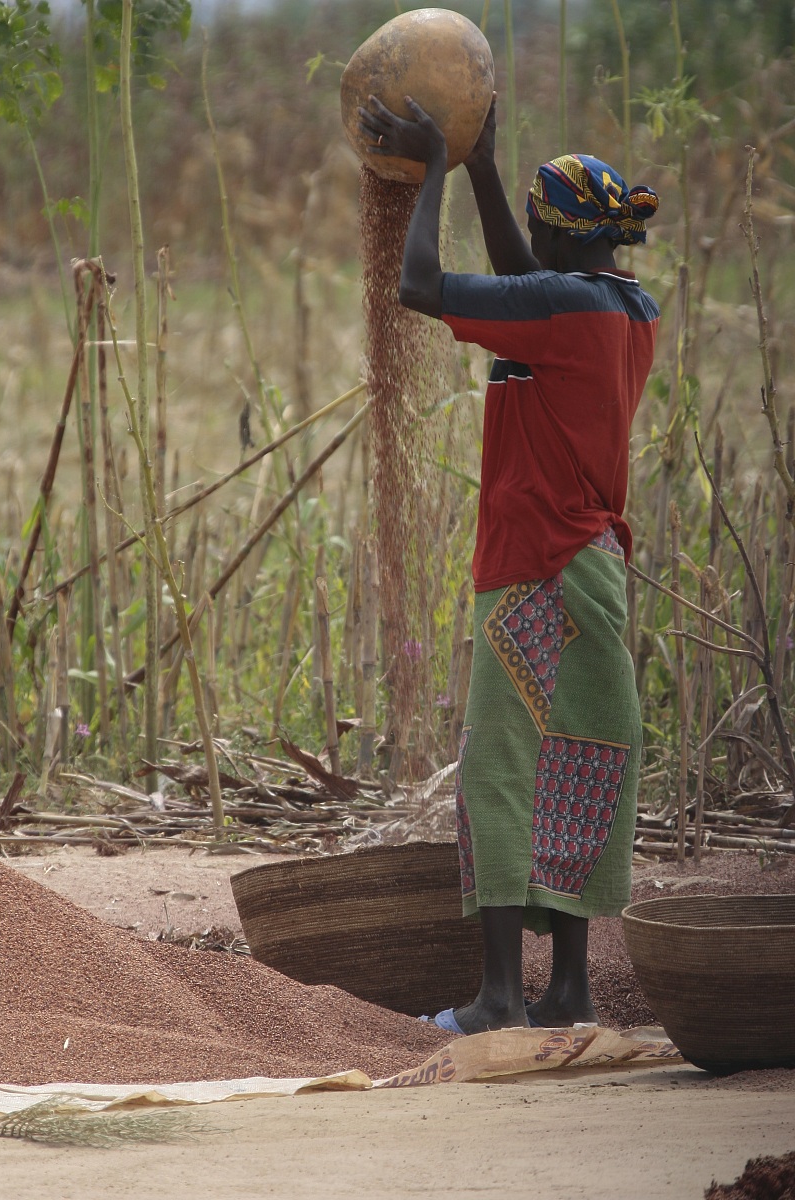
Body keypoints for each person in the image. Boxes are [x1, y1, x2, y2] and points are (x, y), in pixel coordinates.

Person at [359, 94, 660, 1035]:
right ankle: (564, 990)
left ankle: (497, 1000)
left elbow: (418, 286)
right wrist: (489, 168)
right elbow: (529, 282)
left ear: (553, 235)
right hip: (593, 568)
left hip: (535, 567)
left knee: (498, 767)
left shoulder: (562, 309)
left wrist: (435, 170)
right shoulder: (621, 307)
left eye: (531, 224)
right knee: (569, 761)